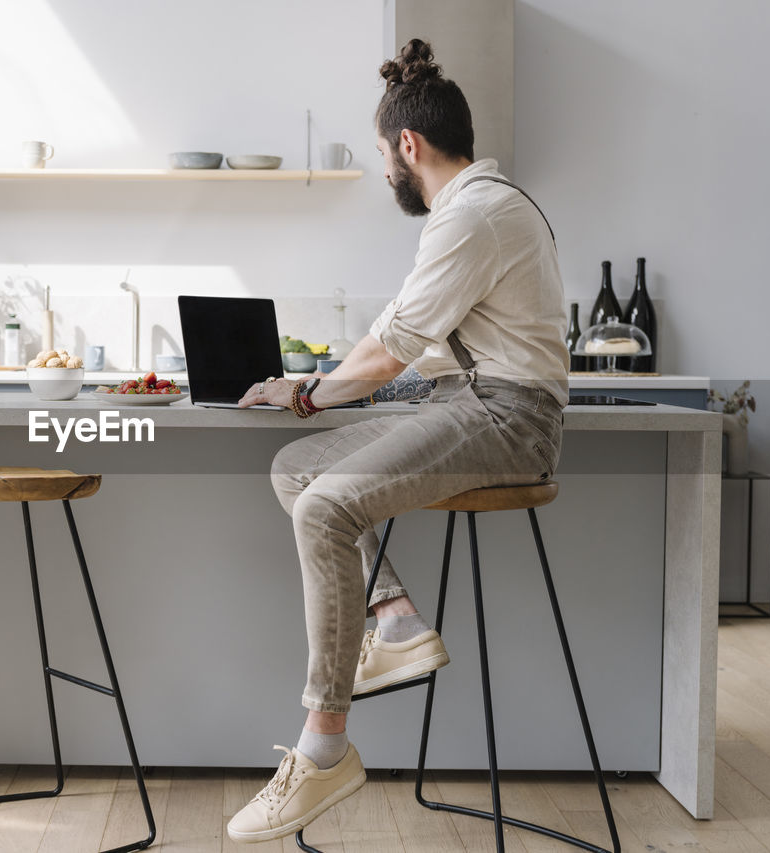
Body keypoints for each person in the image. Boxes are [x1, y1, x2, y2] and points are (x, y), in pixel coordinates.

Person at [226, 38, 569, 844]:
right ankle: (399, 621)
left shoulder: (476, 214)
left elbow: (390, 347)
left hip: (507, 420)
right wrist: (312, 399)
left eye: (386, 156)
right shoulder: (475, 209)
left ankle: (325, 746)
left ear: (407, 146)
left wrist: (308, 390)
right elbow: (407, 345)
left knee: (322, 510)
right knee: (296, 465)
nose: (388, 173)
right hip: (473, 402)